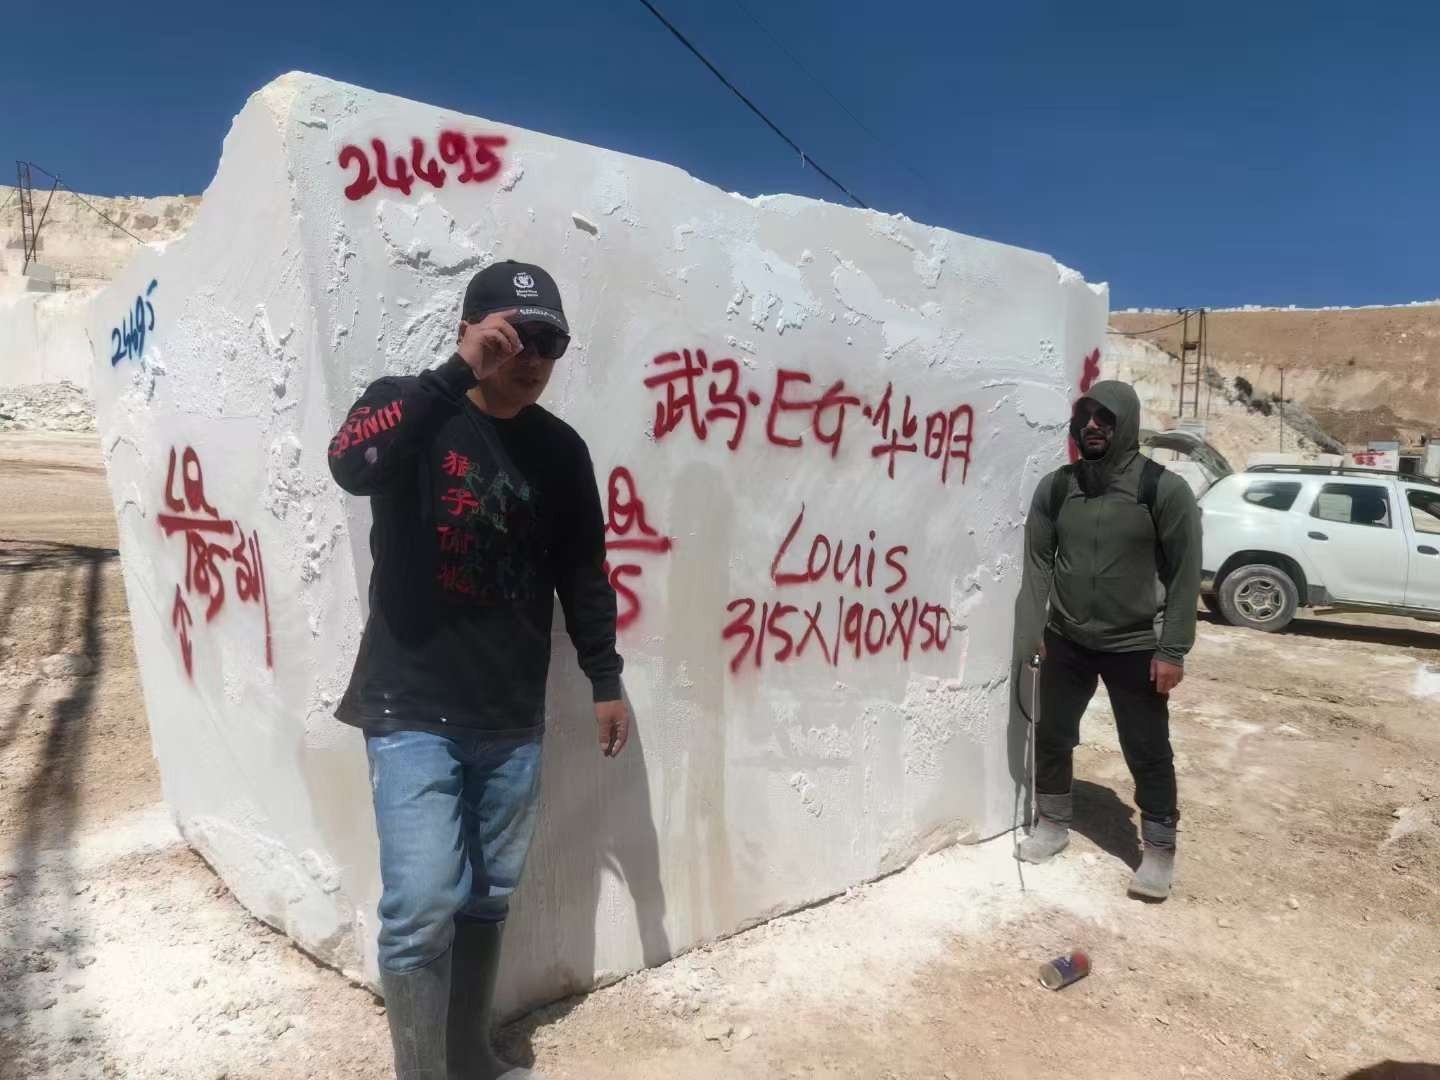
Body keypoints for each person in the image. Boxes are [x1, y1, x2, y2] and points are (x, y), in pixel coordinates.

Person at [328, 260, 628, 1079]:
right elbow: (352, 464)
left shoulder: (561, 451)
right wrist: (456, 371)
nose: (530, 357)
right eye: (513, 337)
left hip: (509, 717)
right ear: (470, 331)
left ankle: (469, 1059)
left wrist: (604, 679)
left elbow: (583, 573)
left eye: (548, 343)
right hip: (410, 708)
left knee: (487, 898)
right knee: (421, 907)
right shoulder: (412, 405)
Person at [1012, 380, 1201, 900]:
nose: (1093, 425)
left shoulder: (1163, 489)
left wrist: (1173, 649)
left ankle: (1158, 851)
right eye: (1086, 416)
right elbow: (1037, 563)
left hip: (1136, 645)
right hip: (1066, 638)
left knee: (1147, 749)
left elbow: (1186, 573)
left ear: (1127, 424)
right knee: (1053, 735)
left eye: (1106, 417)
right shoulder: (1057, 488)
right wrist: (1032, 630)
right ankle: (1053, 823)